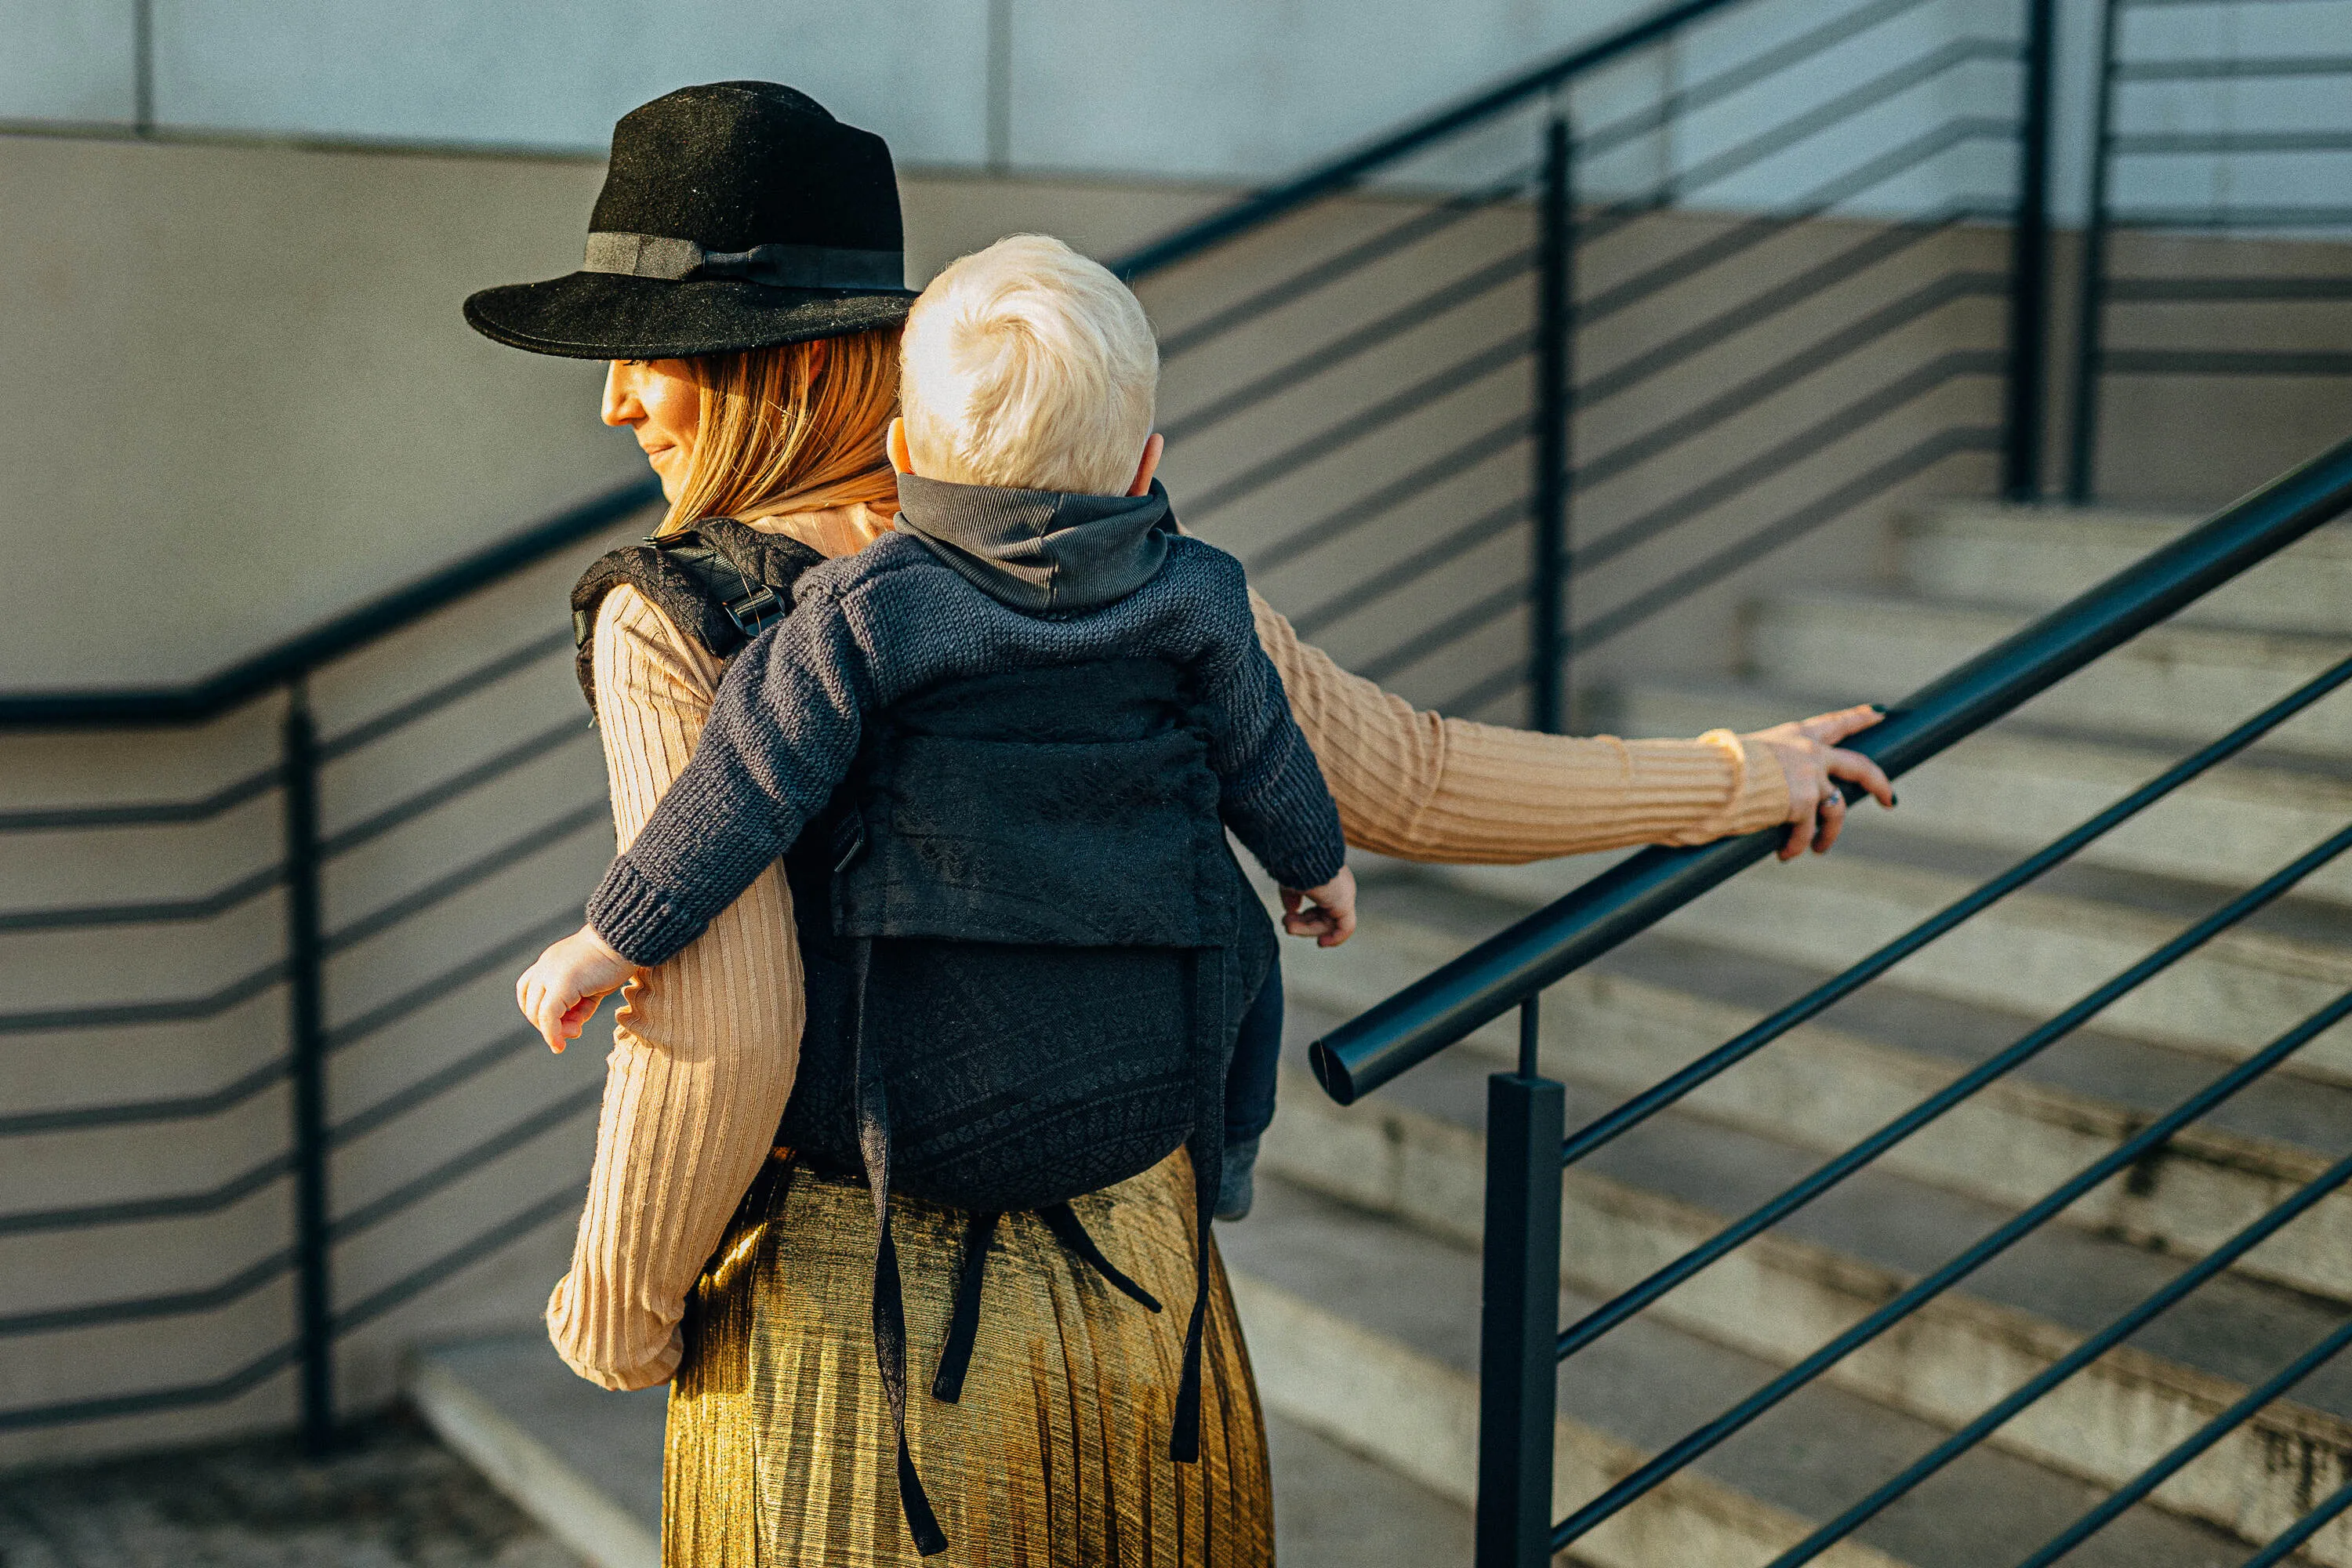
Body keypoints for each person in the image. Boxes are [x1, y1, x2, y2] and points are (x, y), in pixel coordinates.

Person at [463, 80, 1893, 1568]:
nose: (615, 398)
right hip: (1146, 1291)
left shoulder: (677, 616)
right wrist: (1738, 774)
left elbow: (732, 1023)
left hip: (863, 1338)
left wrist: (621, 1313)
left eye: (653, 352)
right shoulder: (1121, 563)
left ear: (800, 366)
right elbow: (1399, 774)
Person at [515, 238, 1359, 1234]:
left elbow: (742, 787)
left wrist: (610, 936)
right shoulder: (1199, 591)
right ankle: (1230, 1153)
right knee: (1242, 932)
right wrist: (1318, 861)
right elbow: (1262, 748)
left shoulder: (860, 612)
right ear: (1145, 466)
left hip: (910, 1113)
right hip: (1151, 1097)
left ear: (903, 454)